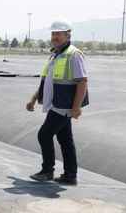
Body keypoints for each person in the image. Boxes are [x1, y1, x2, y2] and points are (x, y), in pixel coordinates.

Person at [26, 21, 89, 185]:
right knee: (65, 139)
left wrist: (76, 107)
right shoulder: (55, 55)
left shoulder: (74, 54)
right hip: (56, 103)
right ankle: (70, 175)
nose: (55, 37)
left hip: (64, 105)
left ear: (68, 35)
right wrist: (33, 99)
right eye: (53, 34)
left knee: (44, 134)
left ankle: (47, 171)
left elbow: (82, 81)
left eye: (58, 34)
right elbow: (47, 81)